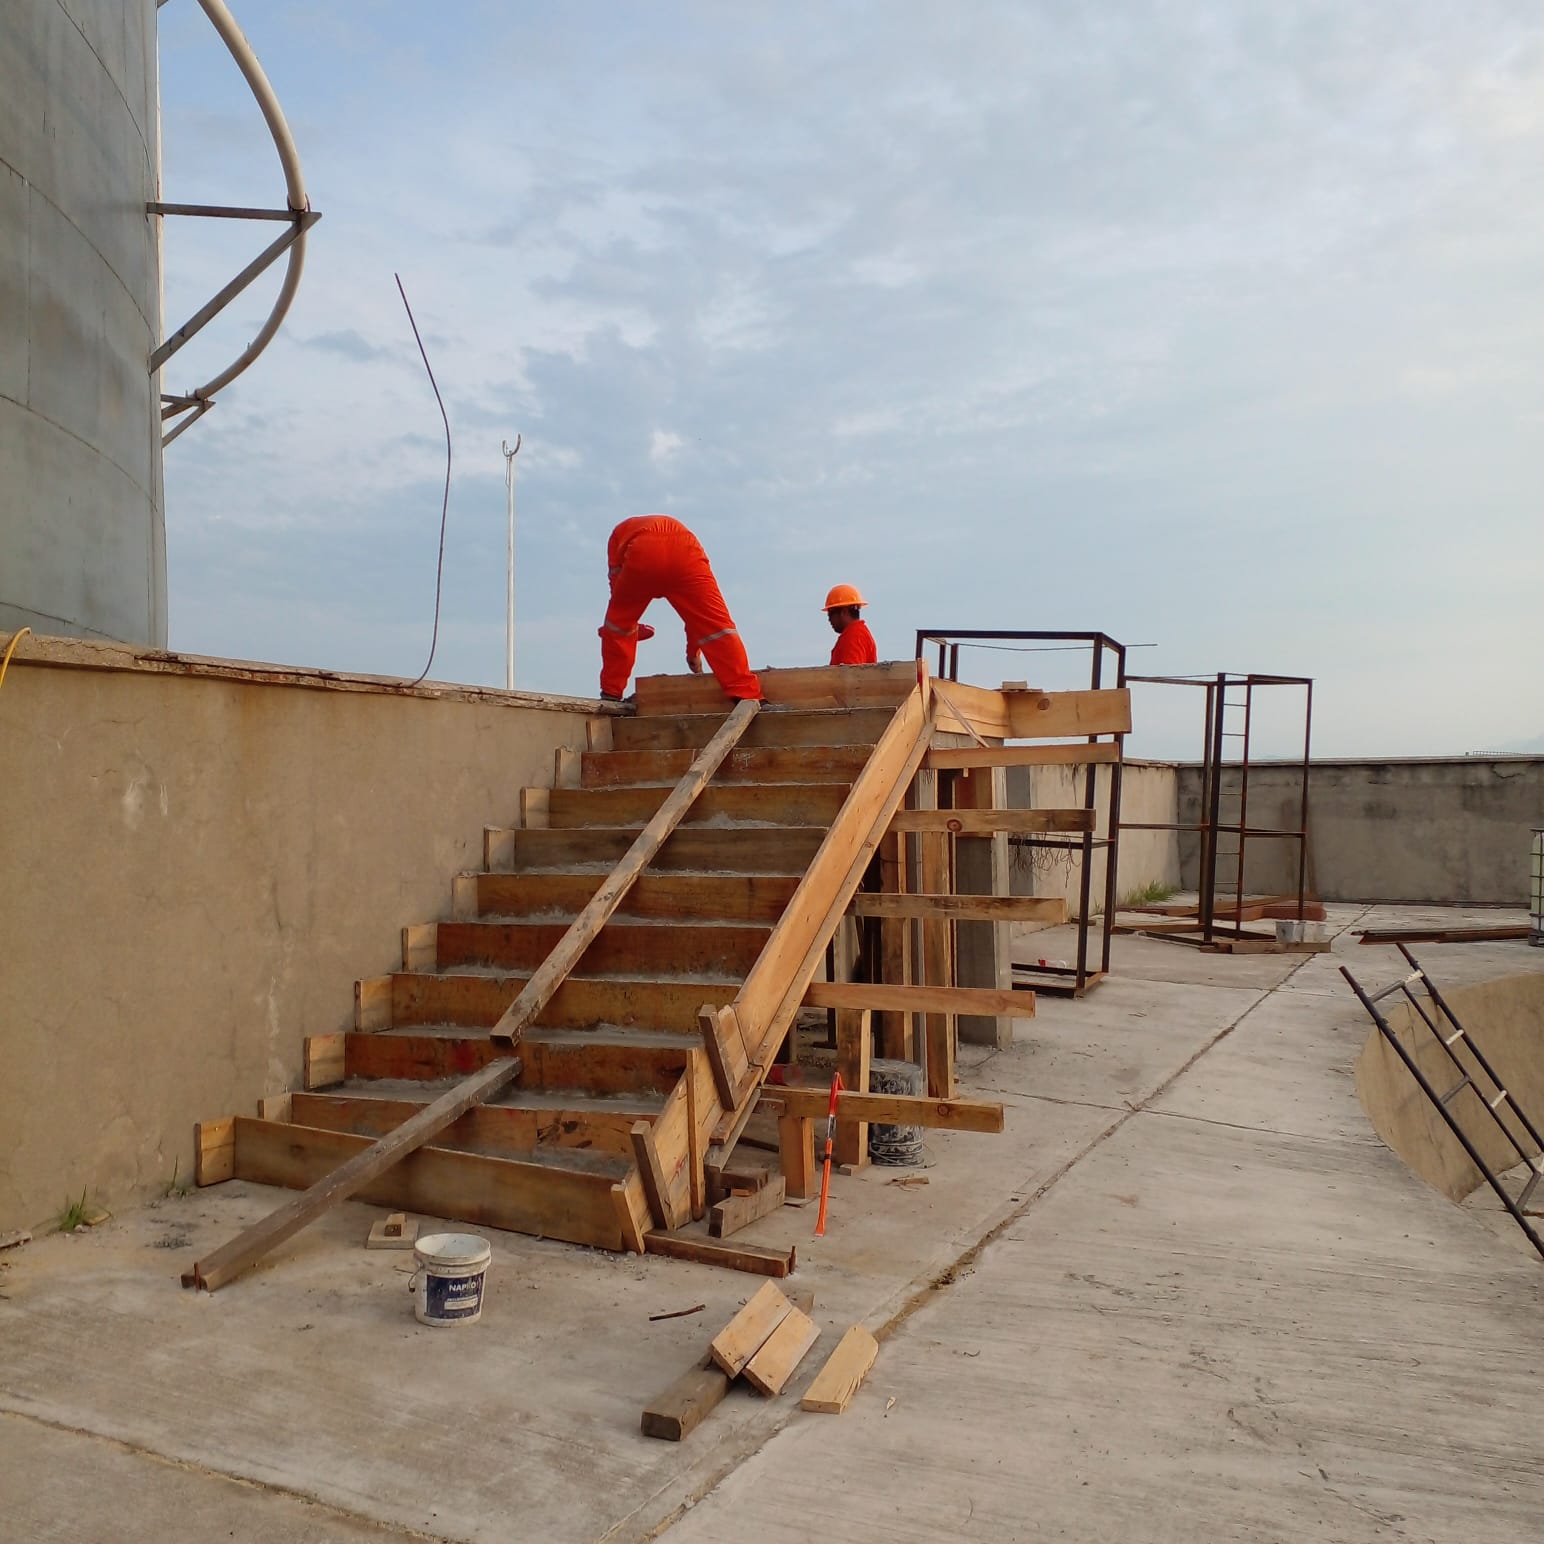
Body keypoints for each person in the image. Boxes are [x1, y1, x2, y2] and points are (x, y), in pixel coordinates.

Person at [599, 515, 762, 701]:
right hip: (685, 550)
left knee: (618, 625)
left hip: (642, 549)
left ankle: (611, 694)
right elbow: (697, 619)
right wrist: (693, 652)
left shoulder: (617, 536)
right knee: (716, 626)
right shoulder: (674, 533)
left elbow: (618, 592)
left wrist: (627, 624)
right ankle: (747, 694)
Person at [824, 584, 877, 666]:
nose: (829, 619)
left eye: (831, 614)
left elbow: (851, 675)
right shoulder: (859, 633)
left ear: (844, 612)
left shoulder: (854, 636)